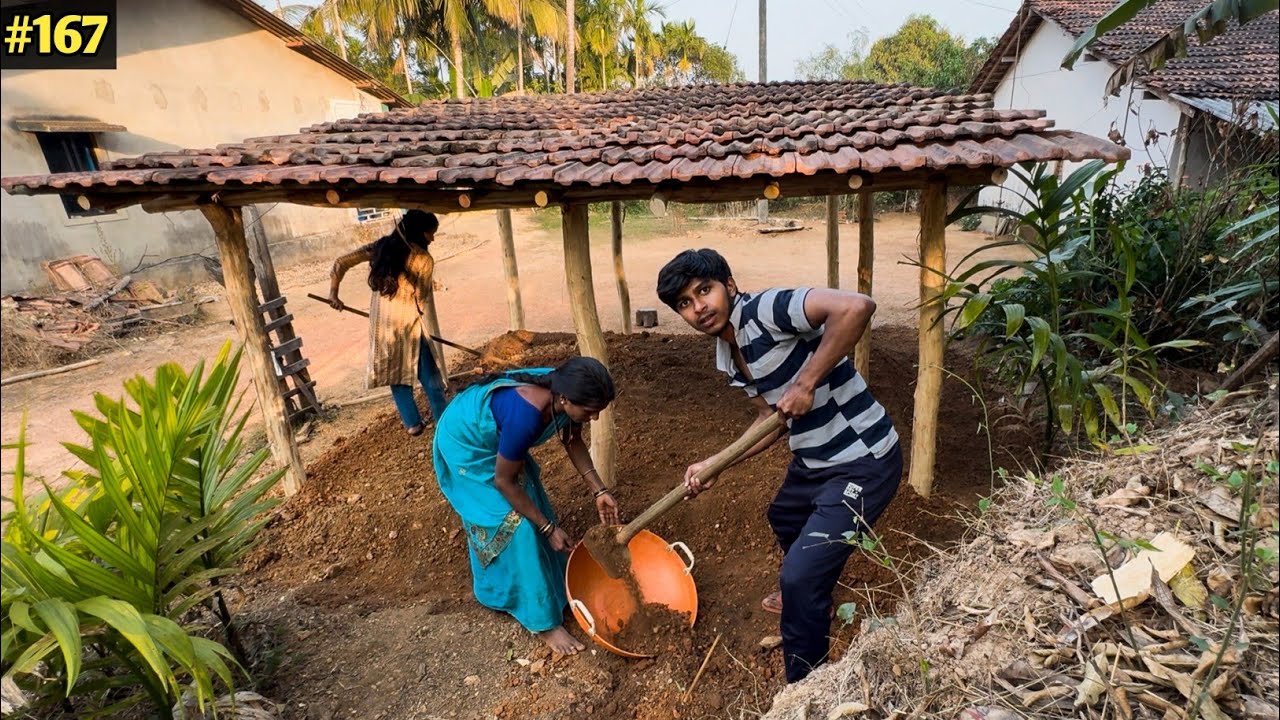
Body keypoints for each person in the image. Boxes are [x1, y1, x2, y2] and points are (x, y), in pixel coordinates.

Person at [656, 249, 902, 683]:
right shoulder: (727, 356)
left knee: (799, 577)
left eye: (704, 291)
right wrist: (716, 464)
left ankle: (806, 686)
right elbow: (770, 421)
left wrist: (806, 382)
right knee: (784, 514)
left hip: (864, 460)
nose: (699, 308)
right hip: (814, 459)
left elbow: (856, 307)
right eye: (685, 304)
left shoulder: (768, 310)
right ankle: (814, 594)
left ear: (729, 285)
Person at [432, 357, 621, 655]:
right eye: (590, 412)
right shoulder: (526, 415)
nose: (594, 418)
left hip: (499, 439)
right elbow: (504, 482)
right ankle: (541, 621)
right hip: (466, 445)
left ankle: (555, 590)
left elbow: (572, 440)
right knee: (515, 525)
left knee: (531, 499)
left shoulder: (564, 390)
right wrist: (547, 528)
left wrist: (599, 491)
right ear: (565, 399)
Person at [328, 210, 448, 435]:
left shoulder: (380, 248)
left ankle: (413, 424)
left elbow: (340, 263)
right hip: (408, 325)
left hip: (382, 328)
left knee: (395, 371)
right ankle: (444, 419)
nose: (432, 238)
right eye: (431, 233)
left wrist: (333, 294)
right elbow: (421, 299)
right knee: (430, 375)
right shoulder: (423, 259)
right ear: (421, 233)